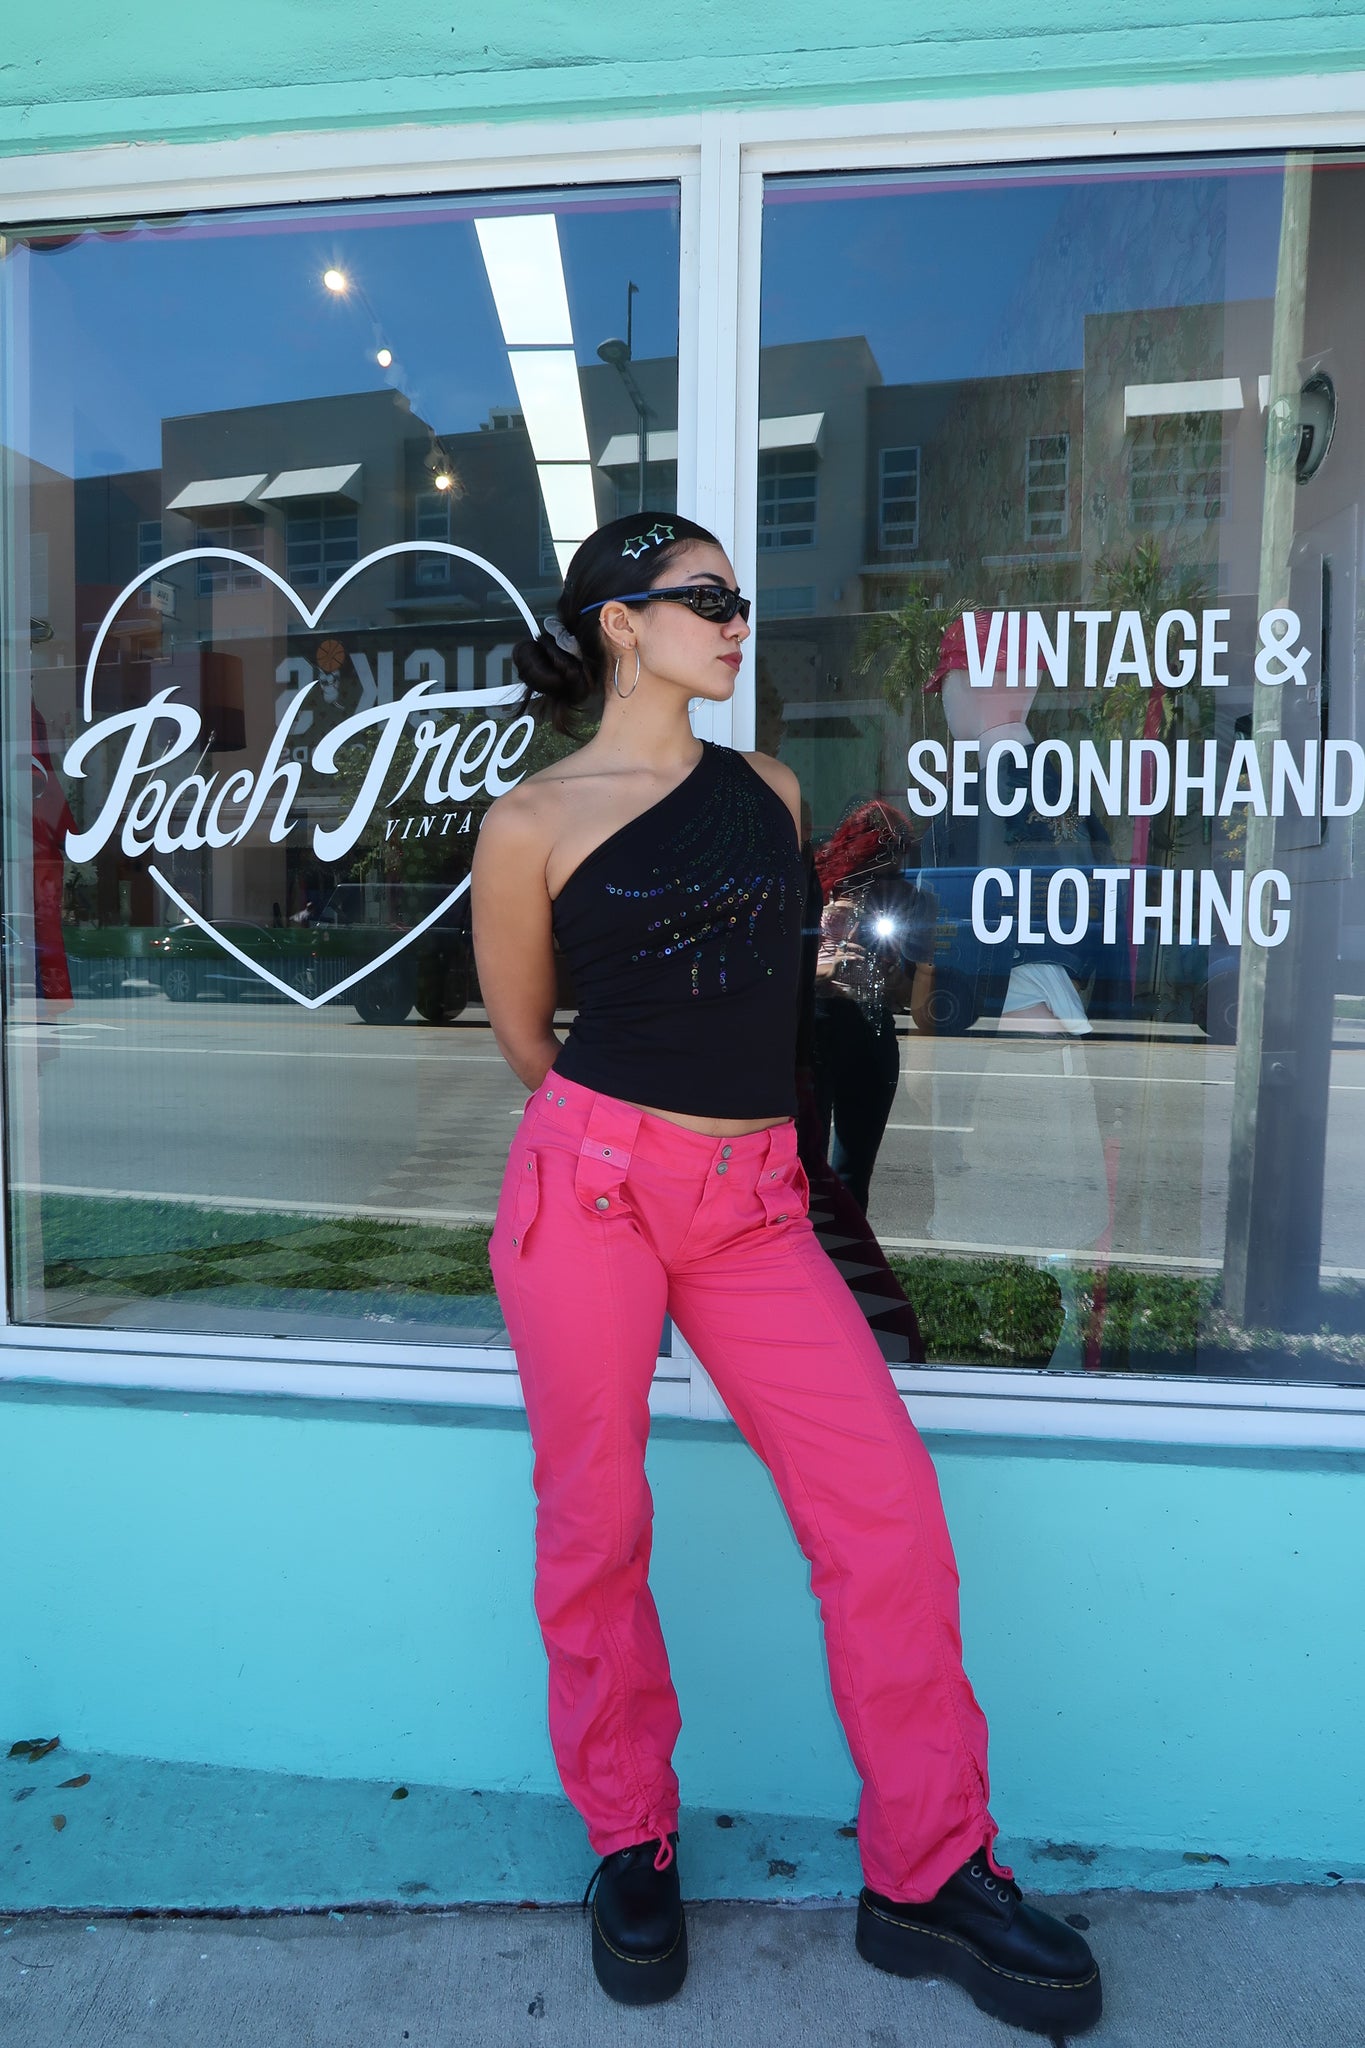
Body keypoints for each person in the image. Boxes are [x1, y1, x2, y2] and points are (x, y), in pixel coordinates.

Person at [470, 512, 1100, 2034]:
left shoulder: (766, 791)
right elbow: (521, 1038)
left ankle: (929, 1873)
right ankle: (629, 1837)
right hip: (596, 1186)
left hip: (755, 1208)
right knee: (597, 1522)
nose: (736, 619)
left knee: (884, 1509)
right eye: (706, 598)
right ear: (621, 621)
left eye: (738, 600)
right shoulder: (530, 821)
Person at [812, 799, 935, 1212]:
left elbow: (907, 996)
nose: (889, 867)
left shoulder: (904, 898)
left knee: (843, 1176)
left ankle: (839, 1269)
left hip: (858, 1030)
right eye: (884, 853)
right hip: (824, 1029)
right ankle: (828, 1268)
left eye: (896, 855)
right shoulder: (816, 885)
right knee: (813, 1173)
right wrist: (824, 966)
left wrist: (905, 969)